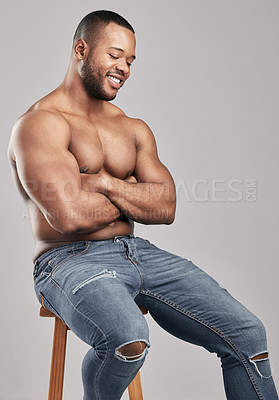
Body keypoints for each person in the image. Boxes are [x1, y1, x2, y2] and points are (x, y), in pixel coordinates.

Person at [8, 10, 278, 400]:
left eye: (130, 60)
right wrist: (133, 193)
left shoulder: (131, 127)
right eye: (115, 55)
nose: (124, 69)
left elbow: (166, 207)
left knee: (249, 336)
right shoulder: (40, 124)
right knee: (126, 338)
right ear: (81, 49)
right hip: (66, 259)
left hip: (138, 253)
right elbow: (69, 216)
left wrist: (100, 183)